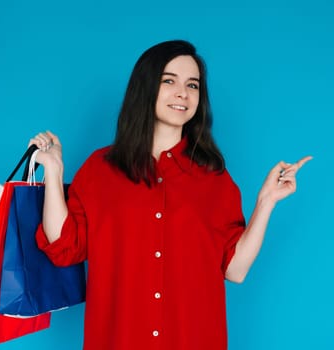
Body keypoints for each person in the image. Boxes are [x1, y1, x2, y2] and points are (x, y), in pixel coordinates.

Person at [30, 40, 311, 350]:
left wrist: (266, 201)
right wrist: (54, 173)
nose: (183, 93)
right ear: (145, 87)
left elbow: (236, 269)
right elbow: (64, 247)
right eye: (169, 81)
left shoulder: (214, 178)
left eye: (193, 85)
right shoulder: (100, 169)